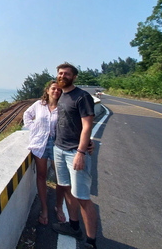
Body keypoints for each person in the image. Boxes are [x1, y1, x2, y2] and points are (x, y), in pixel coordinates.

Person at [52, 62, 98, 249]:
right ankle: (73, 226)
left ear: (74, 77)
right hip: (59, 149)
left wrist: (81, 151)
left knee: (82, 197)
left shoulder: (82, 97)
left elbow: (87, 125)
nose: (62, 76)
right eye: (60, 73)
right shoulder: (62, 95)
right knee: (67, 189)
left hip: (74, 152)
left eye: (67, 74)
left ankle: (91, 242)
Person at [23, 80, 66, 225]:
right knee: (42, 176)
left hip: (57, 144)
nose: (56, 91)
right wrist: (33, 128)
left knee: (61, 178)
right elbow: (27, 115)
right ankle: (44, 208)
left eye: (59, 90)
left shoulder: (63, 107)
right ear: (47, 90)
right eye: (54, 89)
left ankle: (59, 206)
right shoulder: (38, 105)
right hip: (40, 144)